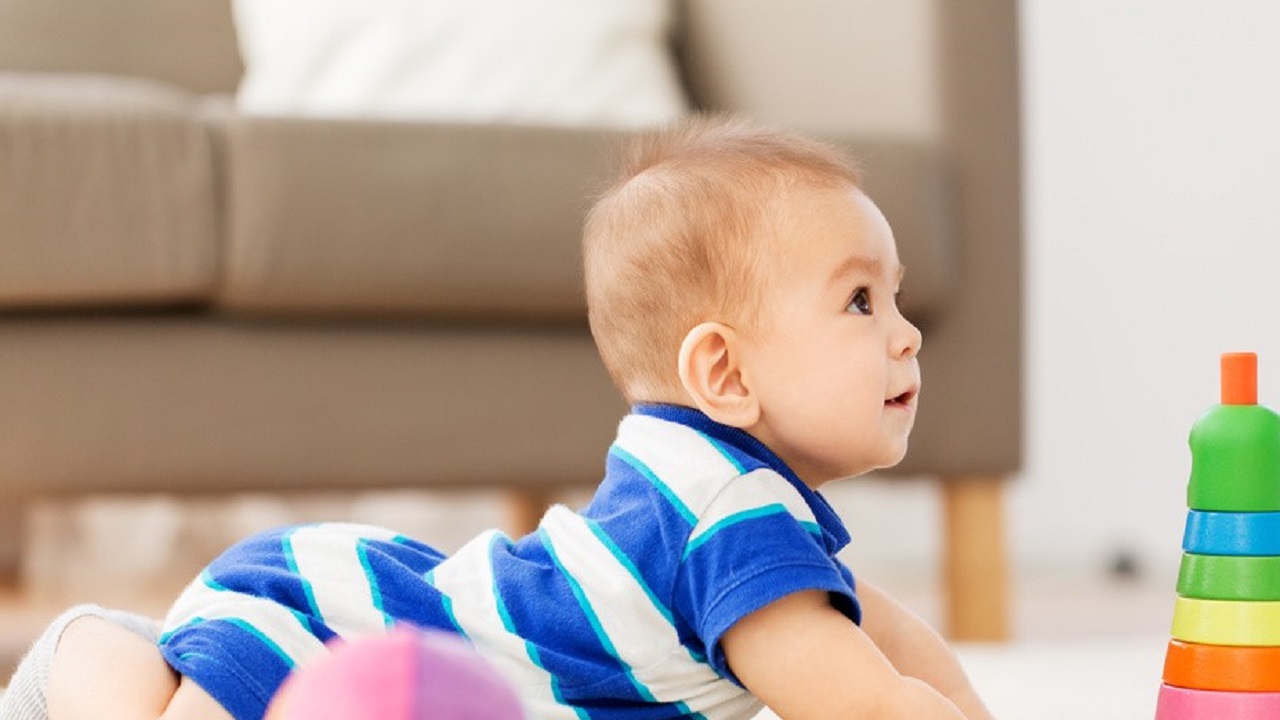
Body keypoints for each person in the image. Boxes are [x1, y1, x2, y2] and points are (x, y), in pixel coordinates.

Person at [0, 114, 994, 720]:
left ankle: (111, 647)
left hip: (360, 601)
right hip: (344, 623)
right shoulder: (730, 519)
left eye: (896, 299)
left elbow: (896, 647)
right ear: (722, 374)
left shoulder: (726, 508)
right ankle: (81, 651)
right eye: (859, 302)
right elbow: (862, 703)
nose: (905, 336)